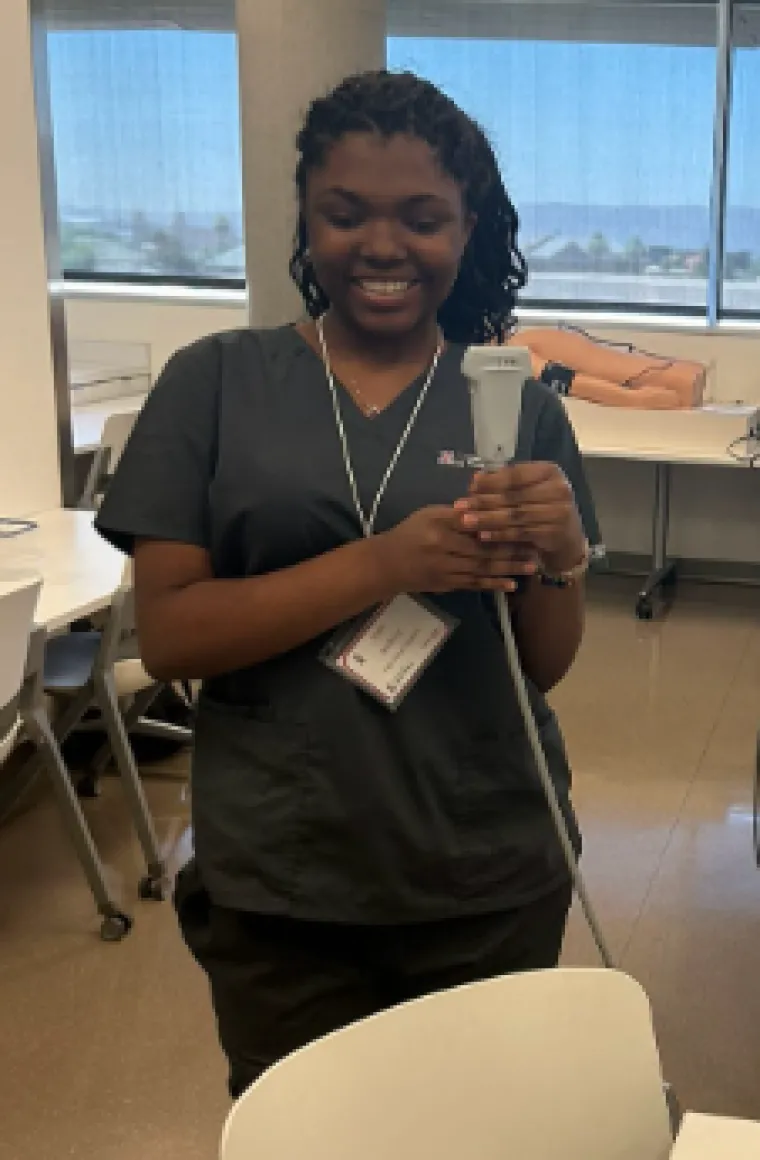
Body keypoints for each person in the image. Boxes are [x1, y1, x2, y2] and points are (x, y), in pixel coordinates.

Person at [96, 69, 601, 1099]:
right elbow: (172, 637)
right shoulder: (216, 382)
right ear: (305, 219)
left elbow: (539, 665)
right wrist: (379, 564)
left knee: (475, 1127)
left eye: (422, 218)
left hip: (487, 862)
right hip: (289, 877)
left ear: (465, 231)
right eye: (345, 213)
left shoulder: (512, 403)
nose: (381, 247)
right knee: (306, 1123)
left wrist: (564, 556)